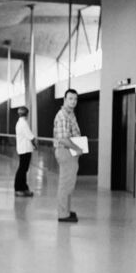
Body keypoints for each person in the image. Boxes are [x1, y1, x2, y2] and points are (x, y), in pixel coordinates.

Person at [53, 88, 83, 223]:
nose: (73, 102)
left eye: (75, 99)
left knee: (69, 183)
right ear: (64, 100)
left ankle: (66, 210)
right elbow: (63, 139)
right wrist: (77, 148)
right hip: (66, 151)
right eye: (70, 99)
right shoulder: (63, 115)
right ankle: (63, 214)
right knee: (65, 184)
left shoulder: (70, 114)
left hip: (71, 152)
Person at [14, 106, 37, 197]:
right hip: (25, 150)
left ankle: (23, 188)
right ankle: (18, 189)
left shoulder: (20, 123)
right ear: (27, 114)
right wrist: (36, 145)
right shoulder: (23, 123)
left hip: (23, 149)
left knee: (23, 169)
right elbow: (31, 137)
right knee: (22, 169)